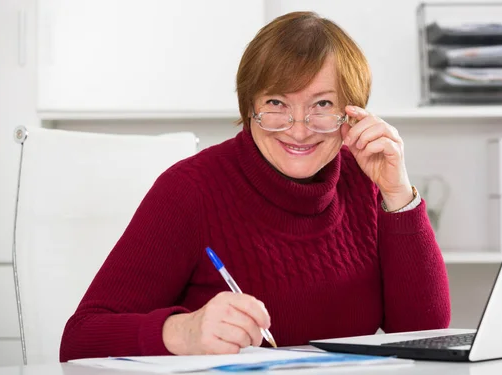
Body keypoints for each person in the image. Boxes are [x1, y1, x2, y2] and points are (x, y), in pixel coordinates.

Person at [60, 11, 450, 361]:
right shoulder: (189, 190)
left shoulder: (365, 181)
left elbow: (424, 334)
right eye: (277, 103)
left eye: (322, 105)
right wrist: (184, 332)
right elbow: (79, 338)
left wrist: (399, 195)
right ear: (250, 106)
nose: (298, 129)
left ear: (353, 112)